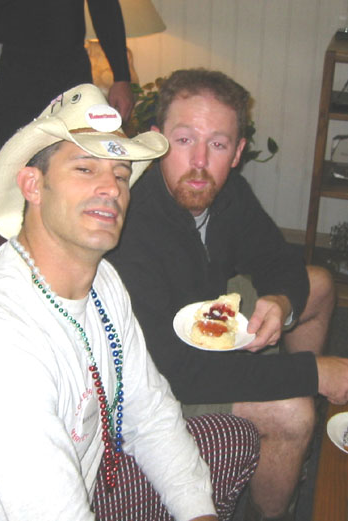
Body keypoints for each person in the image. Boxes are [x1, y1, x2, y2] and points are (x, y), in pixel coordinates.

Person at [0, 84, 260, 521]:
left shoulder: (103, 281)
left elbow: (149, 413)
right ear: (33, 185)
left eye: (120, 174)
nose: (110, 188)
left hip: (91, 478)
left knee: (236, 439)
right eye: (84, 168)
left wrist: (197, 513)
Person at [106, 68, 348, 521]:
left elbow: (278, 258)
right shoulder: (130, 226)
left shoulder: (229, 191)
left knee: (315, 284)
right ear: (157, 141)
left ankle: (290, 450)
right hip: (160, 377)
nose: (199, 161)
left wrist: (282, 303)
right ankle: (270, 509)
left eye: (217, 144)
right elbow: (180, 372)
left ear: (237, 153)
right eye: (184, 140)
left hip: (205, 312)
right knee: (292, 413)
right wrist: (312, 374)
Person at [0, 0, 135, 179]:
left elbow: (104, 7)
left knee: (72, 166)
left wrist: (121, 77)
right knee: (7, 172)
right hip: (12, 69)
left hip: (71, 68)